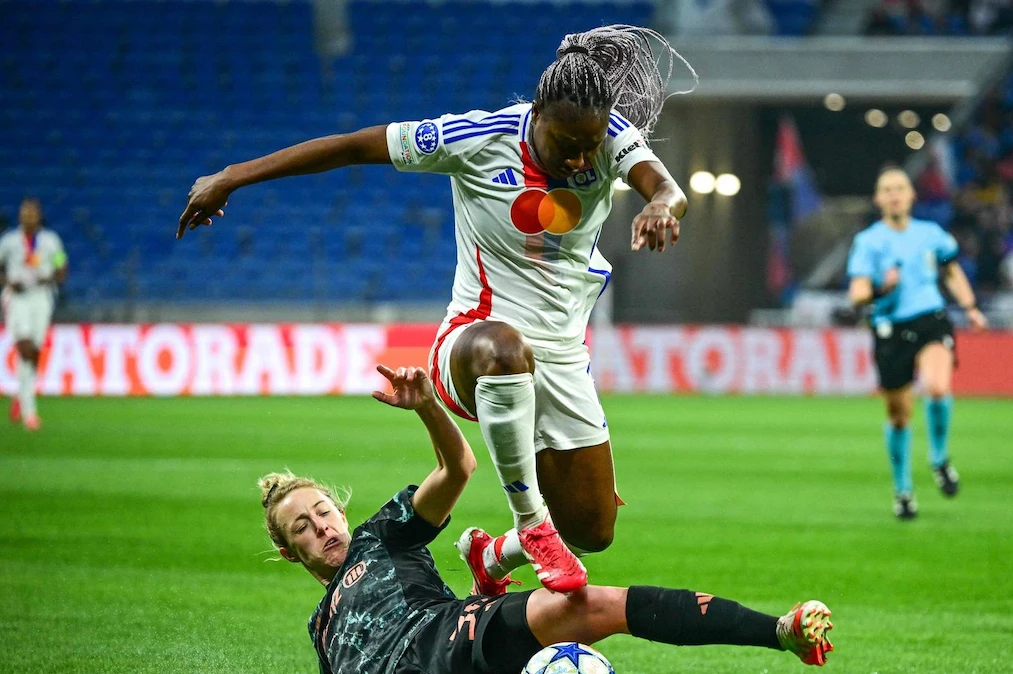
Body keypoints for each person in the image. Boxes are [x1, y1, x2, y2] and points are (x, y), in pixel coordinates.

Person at [176, 26, 696, 597]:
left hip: (562, 356)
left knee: (592, 531)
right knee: (504, 348)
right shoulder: (475, 137)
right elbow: (352, 146)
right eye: (566, 143)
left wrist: (660, 206)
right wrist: (231, 177)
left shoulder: (611, 136)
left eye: (588, 146)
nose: (578, 158)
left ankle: (492, 554)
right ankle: (530, 524)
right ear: (537, 115)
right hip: (473, 344)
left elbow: (667, 188)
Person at [166, 365, 834, 674]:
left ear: (339, 511)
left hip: (462, 636)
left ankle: (778, 630)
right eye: (303, 529)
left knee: (581, 605)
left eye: (322, 512)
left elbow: (458, 467)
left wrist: (427, 407)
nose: (322, 527)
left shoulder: (380, 536)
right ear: (291, 553)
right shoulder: (321, 629)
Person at [847, 168, 987, 521]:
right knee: (899, 416)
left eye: (900, 188)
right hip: (890, 328)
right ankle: (904, 490)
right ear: (878, 199)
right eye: (887, 190)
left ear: (911, 195)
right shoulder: (868, 241)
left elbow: (951, 271)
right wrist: (881, 288)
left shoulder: (930, 234)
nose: (894, 195)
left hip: (930, 319)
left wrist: (970, 307)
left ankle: (939, 458)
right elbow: (857, 293)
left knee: (937, 387)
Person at [1, 197, 68, 431]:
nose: (28, 216)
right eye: (25, 213)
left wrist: (51, 278)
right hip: (17, 297)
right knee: (25, 348)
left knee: (35, 352)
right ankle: (29, 412)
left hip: (41, 297)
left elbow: (61, 265)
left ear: (39, 215)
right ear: (20, 215)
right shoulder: (9, 241)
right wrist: (8, 282)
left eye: (32, 213)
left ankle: (20, 395)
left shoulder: (50, 241)